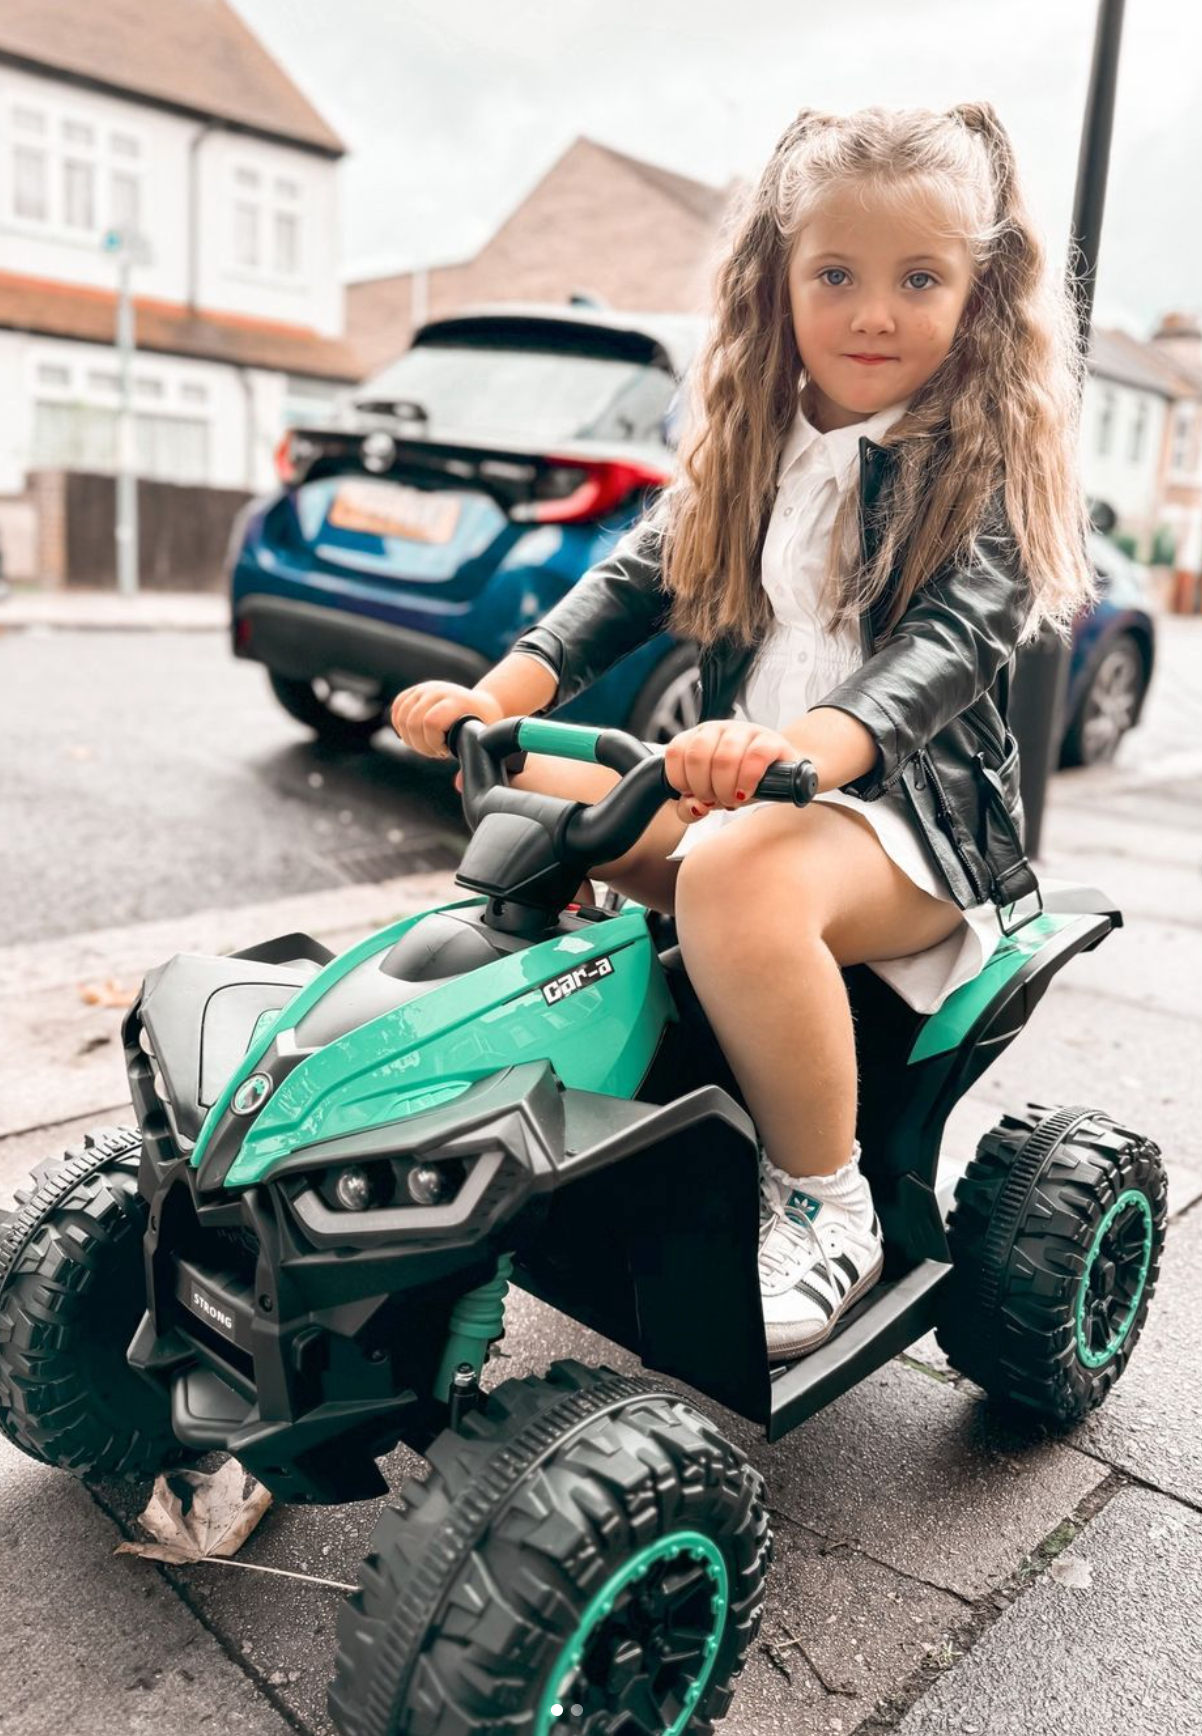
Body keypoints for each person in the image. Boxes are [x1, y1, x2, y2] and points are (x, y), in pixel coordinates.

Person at [390, 103, 1097, 1363]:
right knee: (526, 782)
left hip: (902, 824)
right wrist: (499, 693)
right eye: (836, 275)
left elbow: (940, 654)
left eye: (918, 279)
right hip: (751, 794)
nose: (873, 313)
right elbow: (631, 580)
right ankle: (572, 1037)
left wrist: (803, 751)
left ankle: (826, 1199)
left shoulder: (980, 474)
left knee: (732, 870)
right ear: (779, 279)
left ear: (979, 295)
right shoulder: (758, 445)